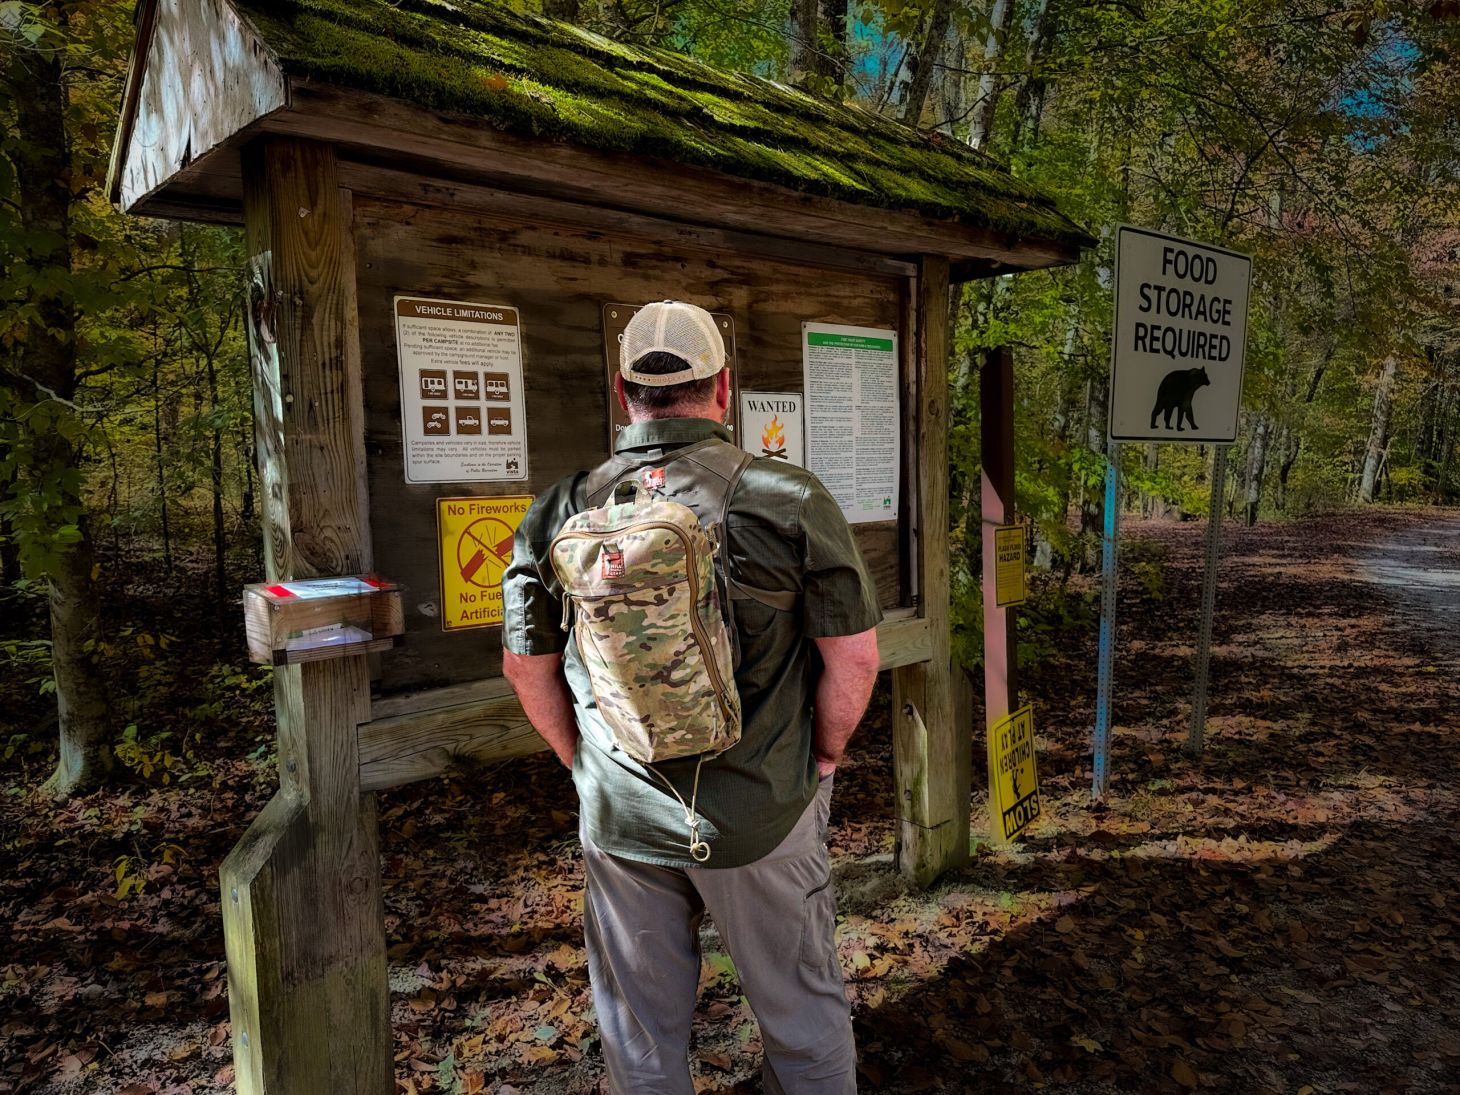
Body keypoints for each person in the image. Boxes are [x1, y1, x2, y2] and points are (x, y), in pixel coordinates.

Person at [501, 300, 882, 1094]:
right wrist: (821, 756)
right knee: (805, 1029)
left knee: (640, 1048)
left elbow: (525, 666)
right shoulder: (788, 499)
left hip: (622, 818)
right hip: (761, 810)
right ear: (724, 389)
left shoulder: (558, 510)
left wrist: (587, 766)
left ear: (622, 391)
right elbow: (854, 660)